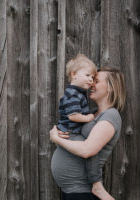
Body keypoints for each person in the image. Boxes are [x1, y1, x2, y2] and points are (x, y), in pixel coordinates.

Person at [50, 67, 126, 200]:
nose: (91, 84)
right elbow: (71, 129)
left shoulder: (111, 116)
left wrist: (57, 139)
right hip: (72, 191)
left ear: (111, 87)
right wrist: (58, 131)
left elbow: (87, 150)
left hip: (83, 191)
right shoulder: (91, 113)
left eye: (96, 81)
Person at [57, 54, 96, 135]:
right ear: (74, 74)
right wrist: (88, 118)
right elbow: (73, 116)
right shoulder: (73, 94)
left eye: (92, 77)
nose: (91, 80)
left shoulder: (78, 93)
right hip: (70, 132)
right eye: (87, 75)